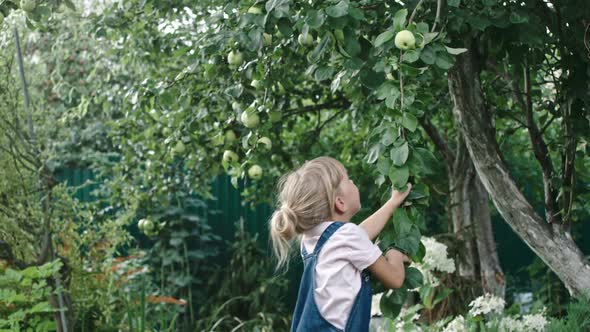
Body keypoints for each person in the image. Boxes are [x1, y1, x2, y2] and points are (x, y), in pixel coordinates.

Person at [269, 156, 412, 332]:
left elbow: (359, 235)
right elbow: (395, 279)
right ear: (340, 202)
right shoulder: (347, 237)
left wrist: (392, 203)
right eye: (348, 179)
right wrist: (395, 255)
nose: (353, 181)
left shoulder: (311, 239)